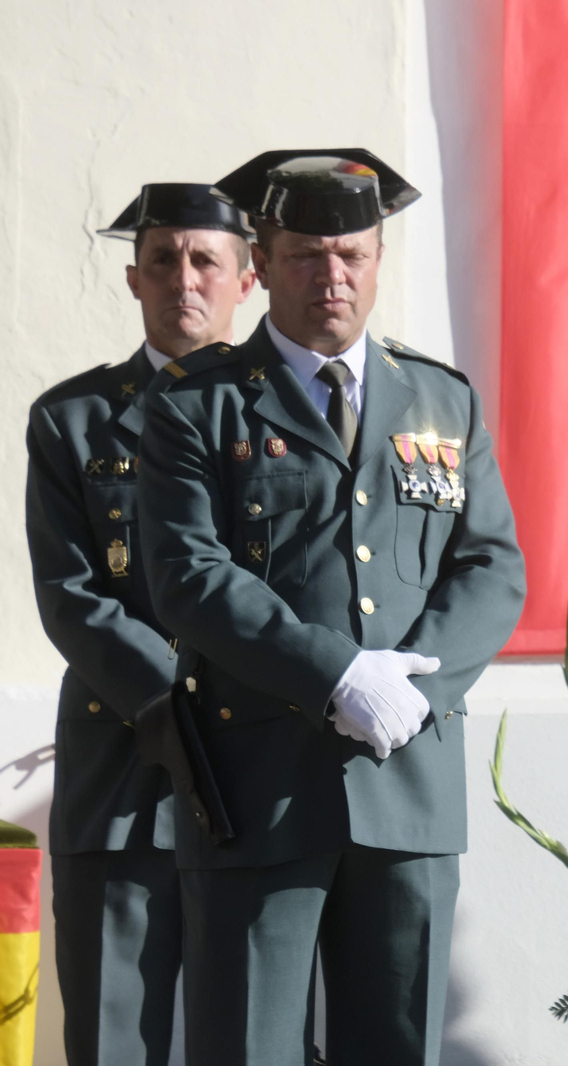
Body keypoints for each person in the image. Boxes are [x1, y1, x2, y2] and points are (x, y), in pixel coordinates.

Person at [136, 150, 526, 1066]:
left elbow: (492, 565)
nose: (333, 277)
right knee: (249, 1047)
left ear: (378, 259)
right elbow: (188, 574)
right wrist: (337, 674)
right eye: (308, 255)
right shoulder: (198, 407)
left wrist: (417, 687)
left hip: (408, 786)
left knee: (397, 1046)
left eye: (352, 254)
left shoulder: (441, 398)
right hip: (258, 783)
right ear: (263, 263)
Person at [24, 184, 255, 1065]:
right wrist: (178, 701)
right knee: (116, 1035)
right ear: (133, 280)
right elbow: (71, 594)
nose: (183, 280)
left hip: (260, 769)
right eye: (163, 260)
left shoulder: (287, 417)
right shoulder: (73, 420)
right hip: (125, 767)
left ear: (247, 277)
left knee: (255, 1034)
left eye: (206, 261)